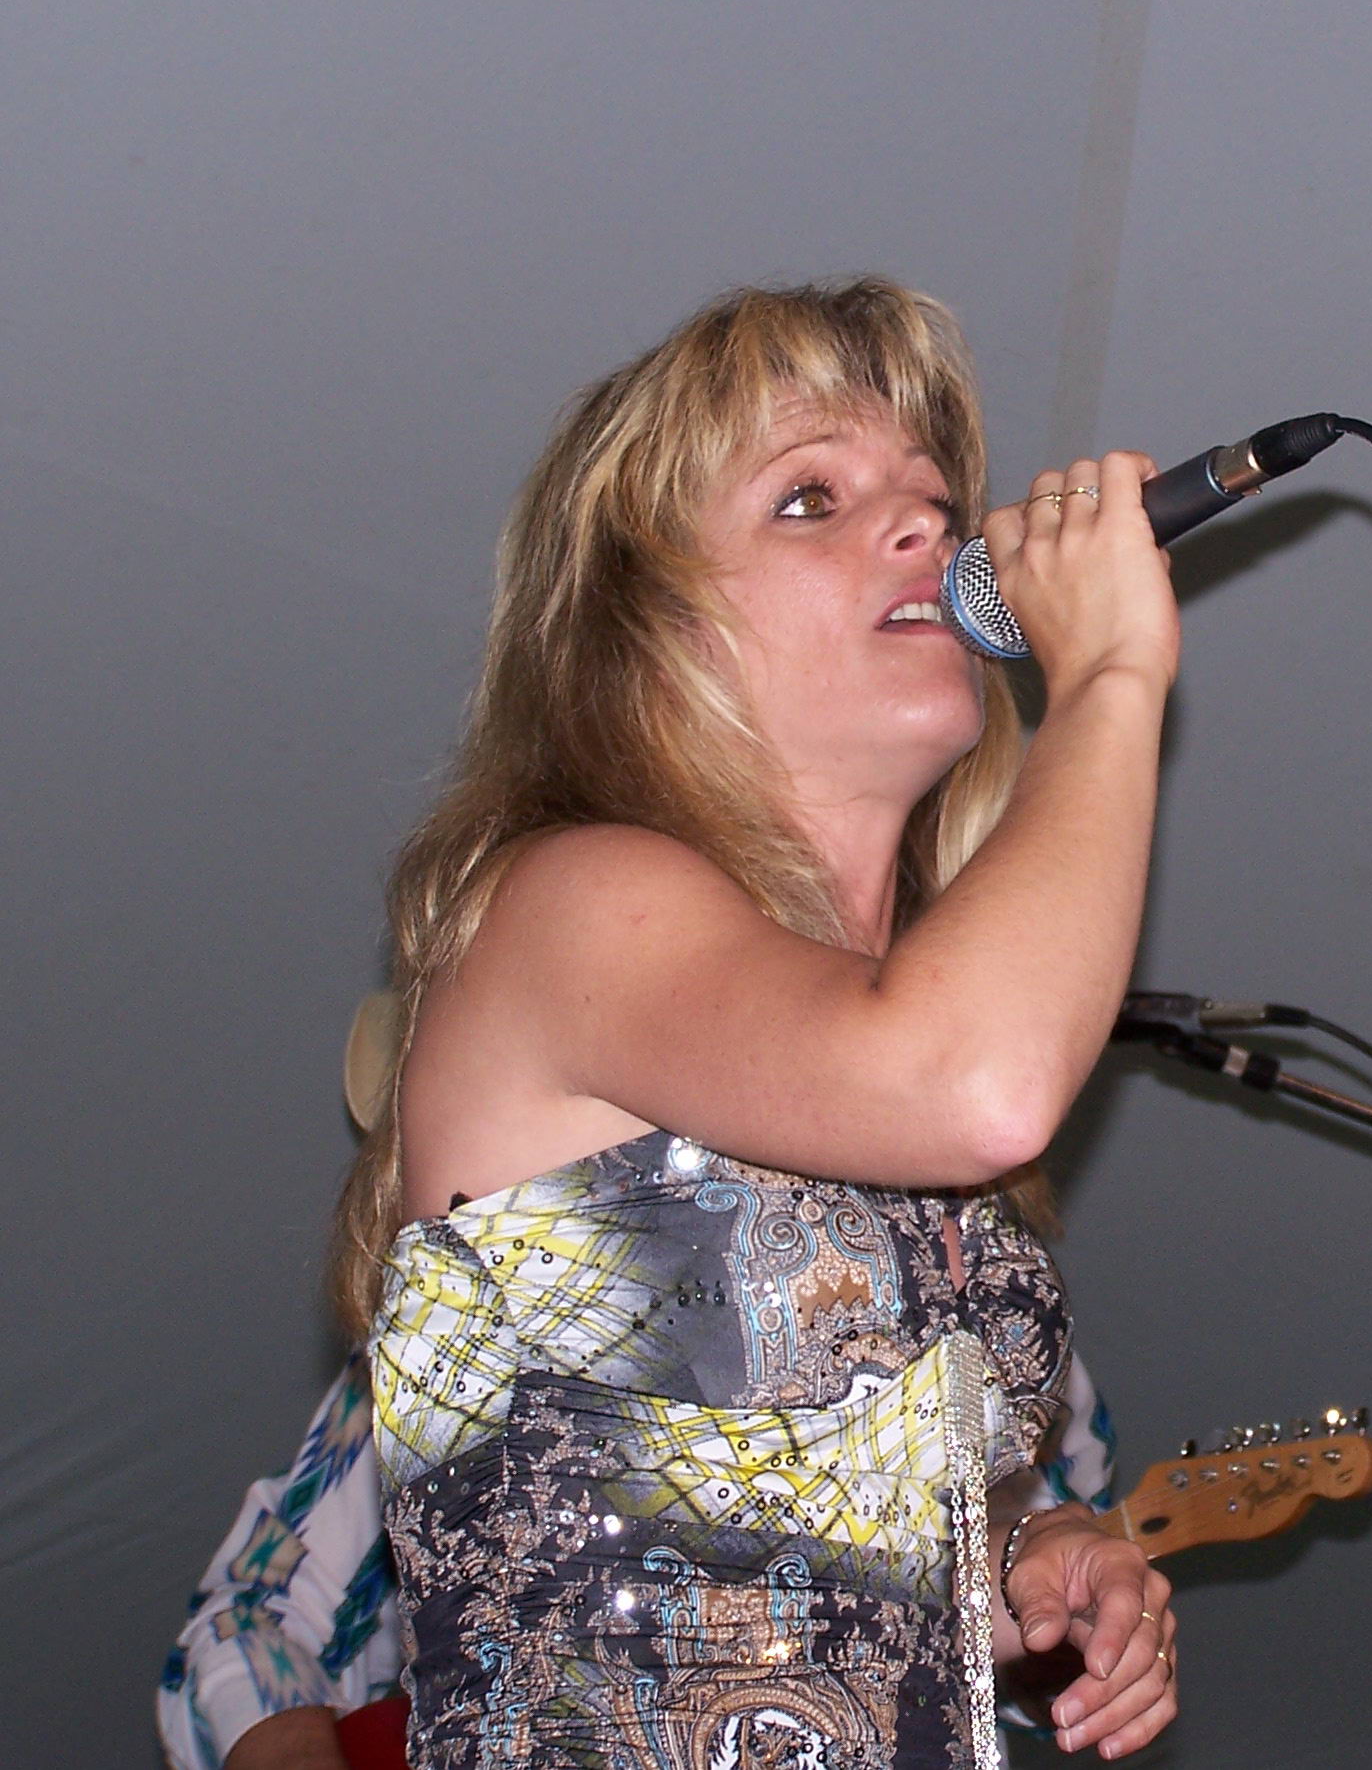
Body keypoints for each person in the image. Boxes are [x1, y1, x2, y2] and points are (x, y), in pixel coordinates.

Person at [330, 278, 1180, 1767]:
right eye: (810, 499)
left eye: (931, 495)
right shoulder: (569, 904)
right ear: (648, 632)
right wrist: (1112, 672)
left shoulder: (875, 1082)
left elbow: (765, 1555)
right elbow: (981, 1084)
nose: (924, 524)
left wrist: (1017, 1559)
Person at [161, 1013, 1123, 1770]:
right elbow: (249, 1622)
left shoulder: (1018, 1363)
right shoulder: (461, 1355)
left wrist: (1067, 1617)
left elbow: (1000, 1660)